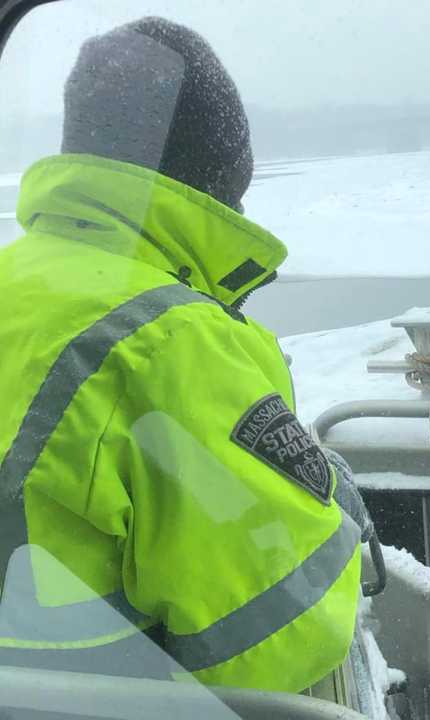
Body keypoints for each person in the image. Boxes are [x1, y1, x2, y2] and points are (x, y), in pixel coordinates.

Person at [0, 16, 369, 693]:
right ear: (218, 174)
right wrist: (333, 504)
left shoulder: (14, 283)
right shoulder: (169, 340)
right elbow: (281, 640)